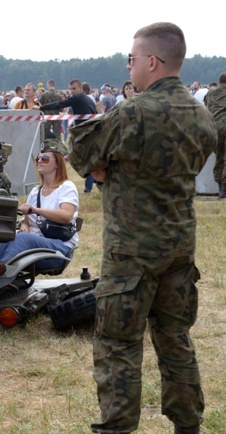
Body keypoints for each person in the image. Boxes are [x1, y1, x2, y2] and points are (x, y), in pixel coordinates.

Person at [68, 22, 217, 434]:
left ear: (151, 62)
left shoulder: (133, 111)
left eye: (131, 59)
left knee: (118, 344)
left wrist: (103, 167)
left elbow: (80, 147)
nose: (129, 66)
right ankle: (188, 425)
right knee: (176, 341)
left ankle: (117, 427)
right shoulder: (202, 114)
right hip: (179, 248)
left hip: (131, 252)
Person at [0, 138, 78, 274]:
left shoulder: (66, 187)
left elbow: (66, 216)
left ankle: (1, 271)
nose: (40, 161)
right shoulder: (35, 192)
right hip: (36, 245)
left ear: (58, 163)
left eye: (45, 158)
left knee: (23, 239)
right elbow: (28, 223)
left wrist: (35, 210)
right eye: (38, 158)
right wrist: (24, 227)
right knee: (5, 235)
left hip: (60, 248)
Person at [39, 78, 98, 193]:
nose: (71, 91)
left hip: (85, 134)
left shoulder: (78, 98)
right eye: (70, 89)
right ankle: (91, 183)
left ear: (80, 88)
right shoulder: (88, 99)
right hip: (89, 133)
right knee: (88, 160)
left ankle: (90, 181)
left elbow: (59, 104)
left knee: (76, 157)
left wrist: (41, 107)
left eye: (74, 88)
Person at [204, 72, 226, 199]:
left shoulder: (210, 93)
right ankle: (225, 188)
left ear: (219, 82)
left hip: (214, 128)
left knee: (219, 157)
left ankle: (221, 189)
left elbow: (206, 108)